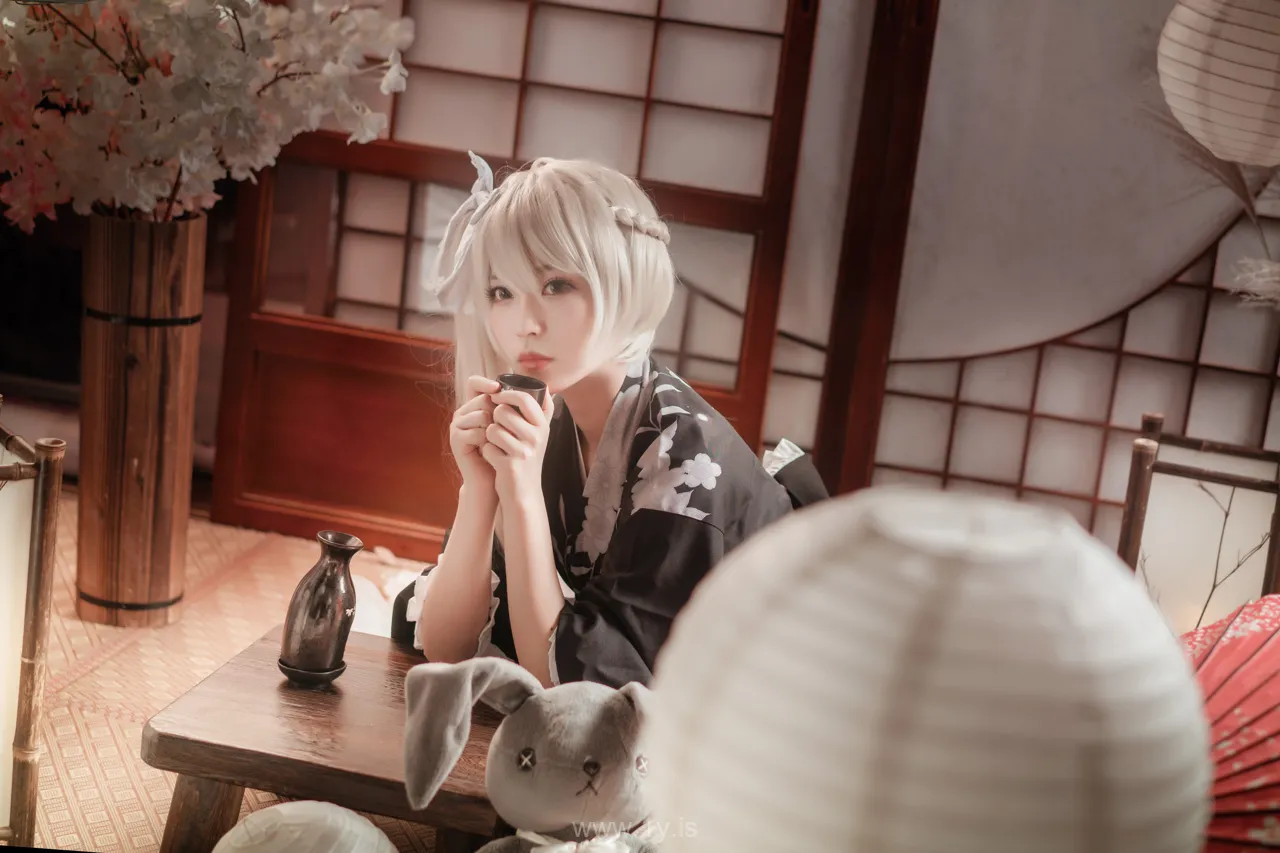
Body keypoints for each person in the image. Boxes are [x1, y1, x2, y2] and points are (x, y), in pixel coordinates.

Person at [390, 152, 818, 689]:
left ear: (623, 280)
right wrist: (480, 491)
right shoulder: (548, 419)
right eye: (502, 292)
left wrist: (521, 494)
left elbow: (577, 693)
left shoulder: (685, 457)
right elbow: (446, 648)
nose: (524, 324)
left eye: (555, 285)